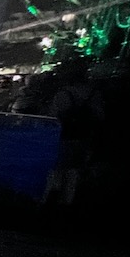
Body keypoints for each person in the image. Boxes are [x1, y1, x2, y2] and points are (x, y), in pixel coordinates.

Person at [45, 63, 104, 209]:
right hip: (84, 136)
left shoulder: (64, 94)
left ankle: (53, 196)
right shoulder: (93, 94)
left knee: (59, 167)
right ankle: (68, 200)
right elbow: (100, 116)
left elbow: (54, 116)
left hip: (64, 135)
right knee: (75, 169)